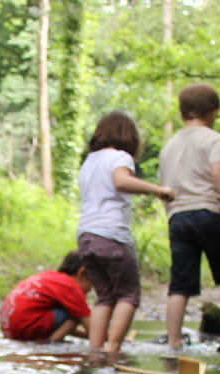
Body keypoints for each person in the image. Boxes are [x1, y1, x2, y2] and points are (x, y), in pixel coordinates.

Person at [158, 83, 220, 351]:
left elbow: (165, 186)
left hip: (178, 216)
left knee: (180, 282)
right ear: (212, 113)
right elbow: (219, 173)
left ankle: (173, 341)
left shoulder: (169, 146)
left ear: (182, 113)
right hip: (208, 211)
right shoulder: (212, 139)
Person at [76, 111, 174, 360]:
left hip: (86, 234)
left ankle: (95, 350)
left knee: (104, 296)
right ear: (129, 136)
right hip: (112, 233)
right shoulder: (120, 157)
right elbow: (121, 182)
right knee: (128, 294)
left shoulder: (89, 161)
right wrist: (158, 190)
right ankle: (112, 350)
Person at [0, 250, 93, 342]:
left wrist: (85, 335)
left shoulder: (50, 277)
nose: (92, 288)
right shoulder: (71, 287)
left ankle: (50, 340)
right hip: (27, 327)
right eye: (94, 281)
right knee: (77, 312)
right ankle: (51, 343)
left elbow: (62, 326)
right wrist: (105, 338)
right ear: (82, 273)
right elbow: (92, 330)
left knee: (74, 310)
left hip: (11, 331)